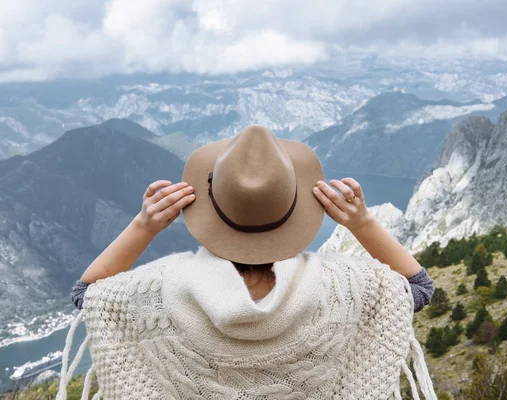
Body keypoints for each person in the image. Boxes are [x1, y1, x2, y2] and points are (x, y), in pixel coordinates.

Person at [58, 125, 436, 400]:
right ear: (295, 207)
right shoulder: (341, 289)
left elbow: (88, 295)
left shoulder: (162, 290)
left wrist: (144, 225)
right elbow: (418, 287)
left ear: (210, 207)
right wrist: (362, 222)